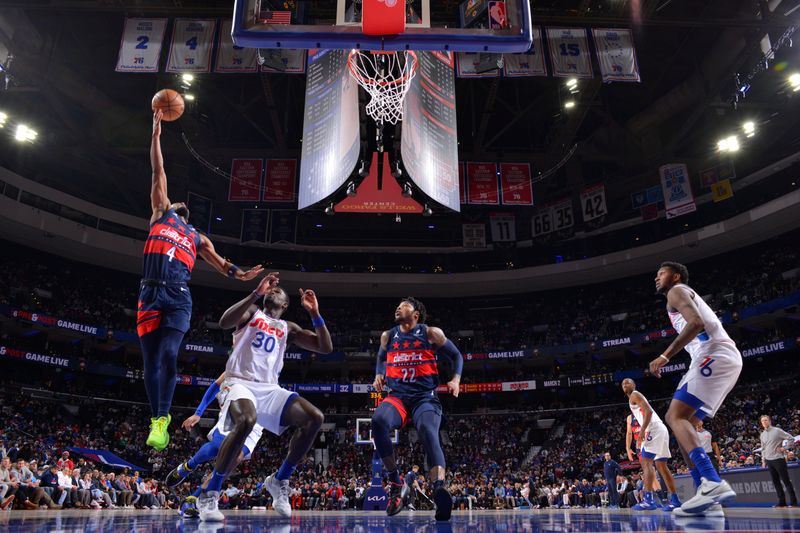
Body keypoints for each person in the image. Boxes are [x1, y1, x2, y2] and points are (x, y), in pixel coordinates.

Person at [141, 109, 263, 451]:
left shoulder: (196, 236)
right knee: (151, 361)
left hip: (178, 296)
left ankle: (161, 418)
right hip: (149, 292)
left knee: (167, 355)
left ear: (184, 212)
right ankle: (158, 418)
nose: (174, 199)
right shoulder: (159, 213)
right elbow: (158, 170)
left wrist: (242, 274)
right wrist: (155, 135)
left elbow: (222, 265)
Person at [195, 273, 331, 521]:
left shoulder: (288, 328)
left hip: (269, 388)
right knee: (246, 420)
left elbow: (325, 348)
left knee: (314, 418)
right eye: (272, 290)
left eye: (279, 291)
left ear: (286, 305)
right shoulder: (252, 313)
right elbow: (225, 322)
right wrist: (256, 292)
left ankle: (279, 480)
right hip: (238, 382)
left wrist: (314, 313)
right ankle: (209, 494)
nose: (275, 290)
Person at [648, 261, 742, 516]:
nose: (657, 278)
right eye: (656, 274)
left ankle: (711, 482)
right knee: (683, 426)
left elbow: (696, 323)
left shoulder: (676, 291)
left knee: (673, 416)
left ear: (675, 276)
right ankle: (706, 496)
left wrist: (665, 356)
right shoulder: (680, 294)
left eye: (662, 273)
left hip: (714, 353)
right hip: (723, 358)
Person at [371, 297, 464, 521]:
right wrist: (378, 374)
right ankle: (395, 481)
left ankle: (439, 487)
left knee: (428, 431)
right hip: (398, 397)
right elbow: (381, 357)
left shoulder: (430, 333)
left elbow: (456, 355)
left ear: (416, 314)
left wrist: (456, 380)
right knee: (377, 422)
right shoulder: (388, 336)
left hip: (425, 397)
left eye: (404, 305)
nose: (398, 307)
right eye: (398, 305)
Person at [165, 371, 264, 519]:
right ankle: (189, 466)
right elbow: (215, 386)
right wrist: (198, 413)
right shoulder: (240, 361)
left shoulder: (271, 362)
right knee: (220, 446)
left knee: (234, 459)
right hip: (235, 404)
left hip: (258, 416)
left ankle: (194, 498)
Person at [622, 378, 682, 511]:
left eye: (628, 382)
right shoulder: (633, 398)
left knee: (646, 463)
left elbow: (648, 412)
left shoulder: (634, 395)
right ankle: (675, 500)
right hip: (660, 429)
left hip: (653, 429)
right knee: (662, 466)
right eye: (623, 383)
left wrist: (642, 432)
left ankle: (648, 500)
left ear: (634, 384)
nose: (625, 384)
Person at [759, 414, 797, 508]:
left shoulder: (777, 431)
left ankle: (794, 502)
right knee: (776, 482)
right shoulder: (762, 434)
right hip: (769, 460)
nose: (764, 422)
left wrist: (785, 448)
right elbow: (763, 448)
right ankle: (782, 502)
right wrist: (763, 460)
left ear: (769, 421)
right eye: (763, 421)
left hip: (778, 459)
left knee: (786, 481)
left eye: (766, 420)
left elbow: (791, 438)